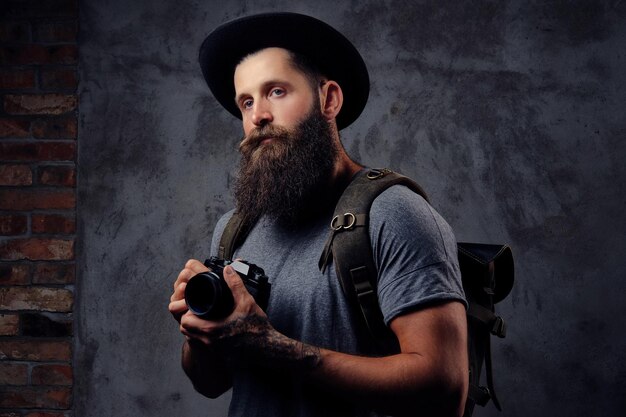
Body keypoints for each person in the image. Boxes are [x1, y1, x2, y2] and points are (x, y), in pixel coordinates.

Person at [169, 12, 468, 417]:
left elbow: (445, 389)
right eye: (247, 102)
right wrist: (198, 333)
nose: (258, 116)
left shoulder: (393, 213)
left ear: (329, 100)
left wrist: (275, 347)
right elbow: (211, 383)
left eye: (276, 91)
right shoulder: (234, 229)